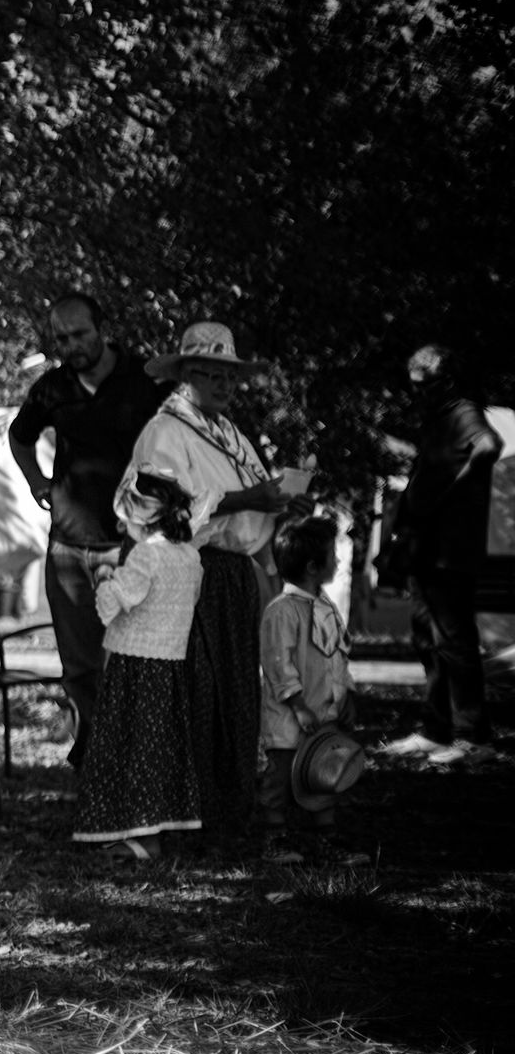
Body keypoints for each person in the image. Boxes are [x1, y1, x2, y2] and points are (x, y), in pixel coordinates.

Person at [115, 320, 305, 835]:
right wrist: (248, 499)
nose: (224, 385)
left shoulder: (230, 434)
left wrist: (279, 505)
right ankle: (182, 818)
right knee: (196, 694)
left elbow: (249, 506)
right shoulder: (165, 432)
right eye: (211, 374)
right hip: (189, 575)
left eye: (230, 376)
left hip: (232, 577)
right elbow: (159, 510)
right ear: (186, 374)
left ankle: (225, 813)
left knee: (234, 695)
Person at [7, 293, 171, 764]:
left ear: (102, 327)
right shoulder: (53, 387)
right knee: (79, 669)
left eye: (79, 334)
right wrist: (37, 481)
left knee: (130, 664)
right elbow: (19, 436)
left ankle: (135, 763)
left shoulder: (145, 380)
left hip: (130, 545)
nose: (71, 345)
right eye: (61, 338)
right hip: (68, 548)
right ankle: (97, 764)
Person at [376, 345, 502, 764]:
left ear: (445, 382)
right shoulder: (438, 420)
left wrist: (450, 493)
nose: (417, 394)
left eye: (424, 386)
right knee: (427, 640)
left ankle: (473, 738)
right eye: (414, 387)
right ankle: (436, 730)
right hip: (425, 551)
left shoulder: (462, 411)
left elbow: (489, 445)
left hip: (449, 552)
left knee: (454, 641)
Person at [70, 473, 204, 854]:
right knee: (157, 747)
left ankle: (142, 835)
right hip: (170, 667)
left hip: (136, 667)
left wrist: (103, 577)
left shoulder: (147, 555)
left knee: (132, 746)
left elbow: (114, 603)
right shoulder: (190, 556)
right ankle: (153, 825)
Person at [260, 514, 354, 837]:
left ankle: (326, 840)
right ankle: (275, 840)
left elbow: (339, 654)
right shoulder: (281, 611)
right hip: (289, 722)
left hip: (323, 716)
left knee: (324, 777)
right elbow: (277, 664)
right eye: (332, 555)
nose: (338, 561)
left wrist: (347, 695)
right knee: (280, 780)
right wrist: (298, 705)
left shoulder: (326, 607)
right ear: (313, 567)